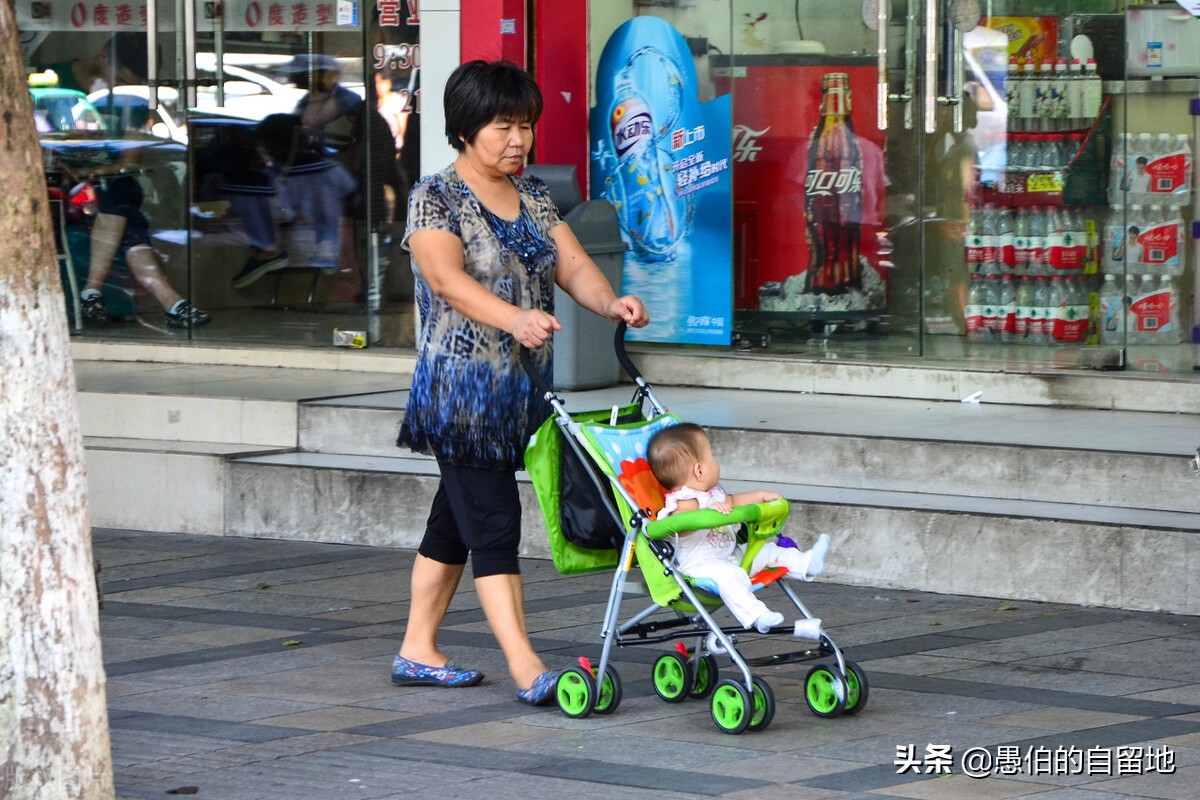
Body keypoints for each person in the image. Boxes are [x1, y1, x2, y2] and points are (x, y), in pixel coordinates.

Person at [392, 60, 649, 705]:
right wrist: (514, 318)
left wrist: (611, 303)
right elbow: (447, 279)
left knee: (456, 521)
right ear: (466, 128)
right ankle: (527, 668)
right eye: (503, 126)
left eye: (526, 126)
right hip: (462, 394)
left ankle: (417, 650)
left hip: (520, 394)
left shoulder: (532, 195)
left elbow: (574, 264)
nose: (518, 140)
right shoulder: (435, 196)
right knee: (494, 524)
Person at [646, 423, 830, 634]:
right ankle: (757, 615)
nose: (716, 461)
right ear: (699, 470)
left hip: (732, 556)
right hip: (704, 567)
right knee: (729, 577)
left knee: (768, 551)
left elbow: (733, 501)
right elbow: (680, 525)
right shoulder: (684, 502)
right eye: (712, 456)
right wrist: (705, 515)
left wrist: (760, 497)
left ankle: (807, 563)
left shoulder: (712, 494)